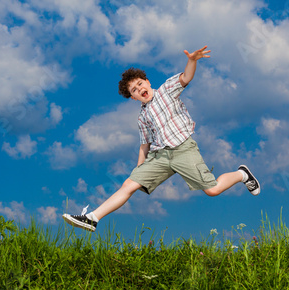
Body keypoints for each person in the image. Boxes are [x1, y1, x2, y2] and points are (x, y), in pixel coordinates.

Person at [63, 46, 260, 232]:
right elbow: (144, 144)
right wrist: (138, 170)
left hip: (183, 149)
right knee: (128, 185)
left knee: (213, 190)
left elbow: (186, 77)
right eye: (134, 90)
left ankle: (242, 174)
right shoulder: (142, 117)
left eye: (140, 84)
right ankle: (92, 218)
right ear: (133, 98)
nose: (139, 89)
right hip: (160, 156)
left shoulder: (167, 90)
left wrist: (192, 61)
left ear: (147, 82)